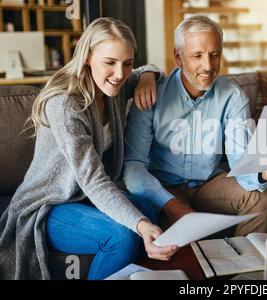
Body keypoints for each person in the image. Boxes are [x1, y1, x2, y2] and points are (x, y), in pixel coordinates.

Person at [0, 17, 178, 280]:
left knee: (148, 208)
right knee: (122, 236)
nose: (120, 73)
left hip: (83, 199)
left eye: (127, 63)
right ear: (87, 57)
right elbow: (94, 182)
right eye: (110, 62)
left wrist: (147, 77)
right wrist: (140, 226)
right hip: (49, 205)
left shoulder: (114, 88)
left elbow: (147, 69)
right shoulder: (64, 105)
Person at [123, 15, 267, 237]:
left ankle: (240, 268)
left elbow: (240, 160)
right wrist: (170, 205)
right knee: (164, 231)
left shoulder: (232, 95)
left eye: (215, 55)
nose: (208, 66)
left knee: (262, 200)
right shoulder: (151, 93)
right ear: (178, 56)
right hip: (163, 184)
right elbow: (134, 166)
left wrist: (263, 172)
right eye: (197, 56)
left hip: (209, 182)